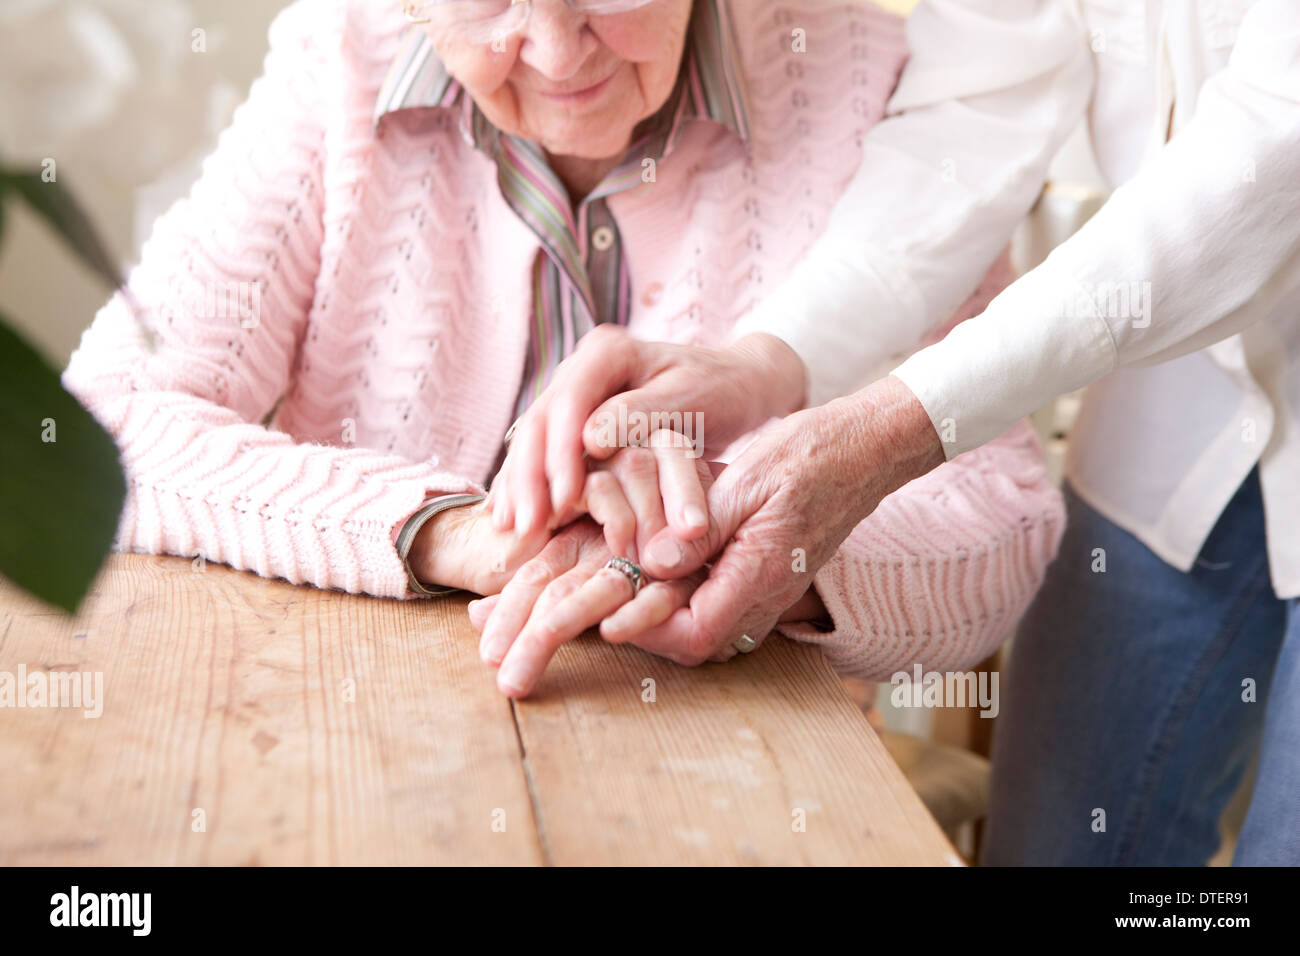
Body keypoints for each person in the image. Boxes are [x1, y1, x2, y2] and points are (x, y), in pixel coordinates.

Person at [63, 0, 1065, 701]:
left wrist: (731, 548)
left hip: (729, 764)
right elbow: (102, 421)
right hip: (349, 721)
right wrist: (468, 534)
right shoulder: (340, 54)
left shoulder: (864, 79)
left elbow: (1003, 517)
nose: (553, 51)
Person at [498, 0, 1300, 865]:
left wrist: (886, 431)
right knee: (1059, 849)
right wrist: (769, 361)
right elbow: (978, 107)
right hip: (1186, 410)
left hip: (1205, 295)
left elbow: (1271, 155)